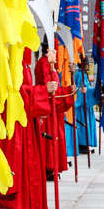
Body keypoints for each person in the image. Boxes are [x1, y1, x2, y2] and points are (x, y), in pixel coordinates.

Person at [0, 48, 55, 209]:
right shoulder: (9, 58)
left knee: (28, 163)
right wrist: (43, 91)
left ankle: (30, 206)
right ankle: (17, 208)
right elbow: (15, 91)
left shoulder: (23, 62)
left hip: (25, 120)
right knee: (18, 163)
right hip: (14, 120)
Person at [34, 37, 75, 179]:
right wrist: (67, 93)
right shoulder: (45, 64)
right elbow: (50, 89)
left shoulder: (49, 64)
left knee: (54, 137)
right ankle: (48, 168)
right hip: (47, 107)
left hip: (53, 107)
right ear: (48, 49)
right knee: (50, 138)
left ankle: (51, 167)